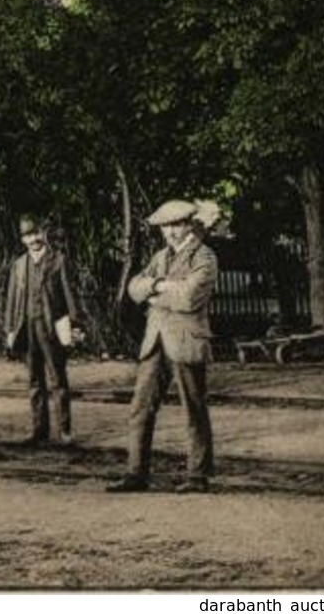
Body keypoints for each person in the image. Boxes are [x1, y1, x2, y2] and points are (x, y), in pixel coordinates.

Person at [108, 199, 217, 494]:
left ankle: (197, 475)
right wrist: (160, 286)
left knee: (193, 408)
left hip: (186, 342)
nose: (168, 233)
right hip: (154, 340)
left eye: (174, 226)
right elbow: (134, 288)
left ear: (188, 225)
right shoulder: (160, 257)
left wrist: (155, 291)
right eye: (164, 227)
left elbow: (190, 298)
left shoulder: (204, 257)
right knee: (140, 407)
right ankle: (135, 473)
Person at [1, 219, 82, 446]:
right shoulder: (18, 265)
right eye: (27, 236)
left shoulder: (58, 261)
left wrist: (75, 326)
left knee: (58, 380)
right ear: (22, 239)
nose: (33, 239)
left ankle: (65, 431)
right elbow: (11, 300)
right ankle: (39, 430)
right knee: (34, 381)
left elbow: (70, 297)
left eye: (36, 233)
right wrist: (9, 329)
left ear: (43, 234)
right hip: (26, 329)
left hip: (52, 328)